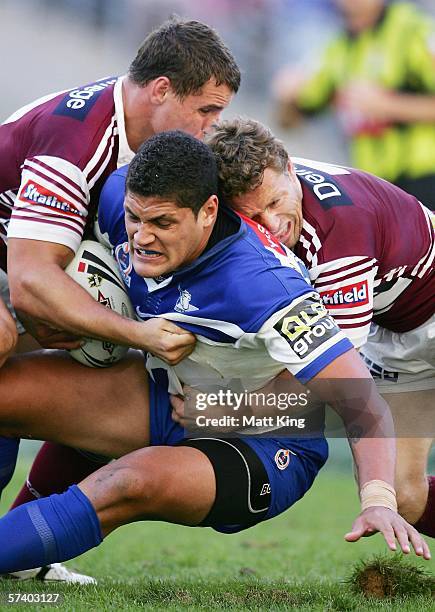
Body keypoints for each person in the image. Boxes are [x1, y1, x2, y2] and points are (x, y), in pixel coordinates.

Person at [0, 131, 429, 576]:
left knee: (127, 481)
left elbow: (359, 400)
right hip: (166, 394)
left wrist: (377, 500)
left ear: (208, 212)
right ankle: (24, 563)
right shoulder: (123, 194)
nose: (142, 238)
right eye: (134, 219)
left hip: (266, 441)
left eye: (163, 224)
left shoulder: (266, 288)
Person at [0, 16, 239, 582]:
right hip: (15, 271)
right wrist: (135, 332)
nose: (211, 127)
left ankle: (19, 549)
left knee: (113, 373)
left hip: (16, 268)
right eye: (206, 110)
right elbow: (32, 276)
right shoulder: (78, 138)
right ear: (160, 91)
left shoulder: (148, 146)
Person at [204, 116, 435, 538]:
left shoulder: (338, 239)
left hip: (425, 309)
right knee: (403, 495)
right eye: (254, 215)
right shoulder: (265, 175)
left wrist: (225, 408)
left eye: (275, 204)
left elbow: (334, 380)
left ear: (290, 168)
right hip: (396, 331)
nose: (272, 224)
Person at [273, 0, 435, 210]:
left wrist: (390, 106)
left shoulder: (415, 31)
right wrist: (286, 97)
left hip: (426, 178)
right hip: (375, 188)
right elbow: (290, 122)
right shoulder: (336, 48)